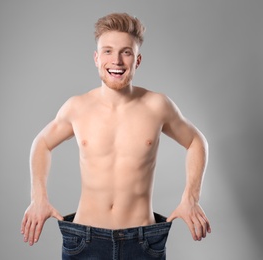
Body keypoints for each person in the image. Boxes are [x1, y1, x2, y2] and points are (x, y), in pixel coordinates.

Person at [21, 12, 211, 259]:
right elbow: (42, 143)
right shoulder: (76, 107)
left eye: (126, 52)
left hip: (142, 241)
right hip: (84, 240)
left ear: (137, 60)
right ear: (96, 58)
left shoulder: (157, 105)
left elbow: (197, 141)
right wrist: (38, 198)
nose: (117, 61)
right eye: (108, 51)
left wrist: (191, 199)